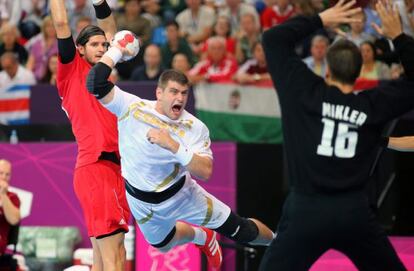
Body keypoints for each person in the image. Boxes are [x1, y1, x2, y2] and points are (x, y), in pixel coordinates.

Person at [260, 0, 414, 270]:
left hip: (305, 211)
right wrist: (399, 37)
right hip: (354, 213)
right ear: (357, 75)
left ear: (327, 70)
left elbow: (273, 39)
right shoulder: (372, 105)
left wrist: (320, 19)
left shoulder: (303, 92)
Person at [86, 52, 275, 268]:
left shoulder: (195, 127)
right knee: (163, 245)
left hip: (183, 196)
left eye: (184, 93)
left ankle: (279, 241)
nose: (180, 99)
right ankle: (202, 237)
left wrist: (173, 146)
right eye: (174, 92)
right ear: (159, 93)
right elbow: (95, 82)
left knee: (242, 231)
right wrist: (116, 50)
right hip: (141, 203)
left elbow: (205, 171)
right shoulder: (131, 107)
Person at [50, 0, 131, 270]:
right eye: (95, 45)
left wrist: (100, 2)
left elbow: (113, 34)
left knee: (103, 258)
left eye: (104, 46)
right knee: (115, 257)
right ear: (80, 49)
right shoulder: (71, 70)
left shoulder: (104, 78)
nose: (102, 48)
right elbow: (61, 23)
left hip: (115, 169)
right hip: (96, 167)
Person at [0, 159, 20, 255]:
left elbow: (14, 220)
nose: (4, 177)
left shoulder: (12, 197)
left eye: (7, 174)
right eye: (1, 173)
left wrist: (3, 194)